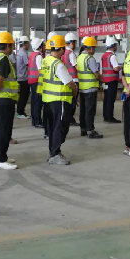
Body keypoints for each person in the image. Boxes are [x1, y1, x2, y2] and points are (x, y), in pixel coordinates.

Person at [41, 35, 79, 165]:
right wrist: (75, 89)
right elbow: (69, 82)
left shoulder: (46, 61)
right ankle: (55, 154)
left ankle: (53, 152)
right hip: (59, 99)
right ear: (61, 49)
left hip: (48, 99)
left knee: (52, 128)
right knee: (60, 127)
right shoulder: (58, 64)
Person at [0, 32, 20, 170]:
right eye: (12, 45)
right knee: (3, 131)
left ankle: (1, 156)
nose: (13, 48)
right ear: (7, 46)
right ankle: (1, 160)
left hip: (0, 99)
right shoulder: (4, 59)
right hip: (4, 99)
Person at [77, 37, 104, 139]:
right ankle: (90, 131)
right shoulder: (90, 59)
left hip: (82, 88)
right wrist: (103, 80)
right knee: (90, 110)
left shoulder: (79, 57)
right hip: (91, 88)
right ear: (91, 48)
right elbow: (96, 74)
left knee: (83, 110)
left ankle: (83, 129)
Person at [101, 37, 122, 123]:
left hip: (105, 80)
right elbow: (116, 68)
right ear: (113, 46)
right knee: (111, 99)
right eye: (116, 45)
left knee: (106, 99)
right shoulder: (112, 56)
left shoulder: (104, 56)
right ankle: (110, 117)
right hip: (112, 80)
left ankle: (106, 116)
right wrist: (122, 66)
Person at [28, 38, 44, 130]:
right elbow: (40, 70)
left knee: (34, 101)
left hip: (32, 81)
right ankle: (38, 121)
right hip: (37, 81)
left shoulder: (32, 55)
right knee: (38, 102)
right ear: (40, 46)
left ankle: (34, 121)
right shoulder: (38, 56)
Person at [63, 33, 79, 125]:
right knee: (73, 101)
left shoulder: (63, 52)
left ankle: (68, 118)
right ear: (72, 43)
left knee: (69, 101)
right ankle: (71, 119)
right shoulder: (71, 54)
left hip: (67, 79)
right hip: (74, 80)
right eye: (75, 42)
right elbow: (76, 67)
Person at [16, 35, 31, 119]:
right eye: (28, 43)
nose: (29, 45)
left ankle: (20, 111)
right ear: (24, 44)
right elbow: (28, 65)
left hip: (20, 77)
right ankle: (20, 112)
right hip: (24, 78)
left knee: (22, 95)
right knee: (24, 96)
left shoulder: (19, 52)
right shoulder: (24, 54)